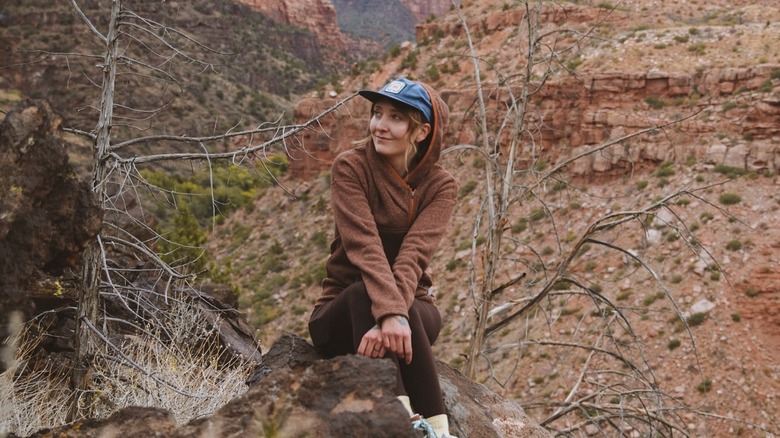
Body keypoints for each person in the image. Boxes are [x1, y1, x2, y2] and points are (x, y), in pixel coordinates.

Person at [308, 77, 458, 437]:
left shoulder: (441, 186)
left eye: (395, 117)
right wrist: (387, 313)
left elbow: (414, 255)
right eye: (377, 113)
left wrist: (392, 316)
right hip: (342, 313)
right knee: (363, 292)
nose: (379, 125)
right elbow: (365, 247)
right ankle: (403, 421)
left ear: (420, 132)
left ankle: (438, 431)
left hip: (412, 314)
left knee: (405, 304)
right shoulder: (351, 167)